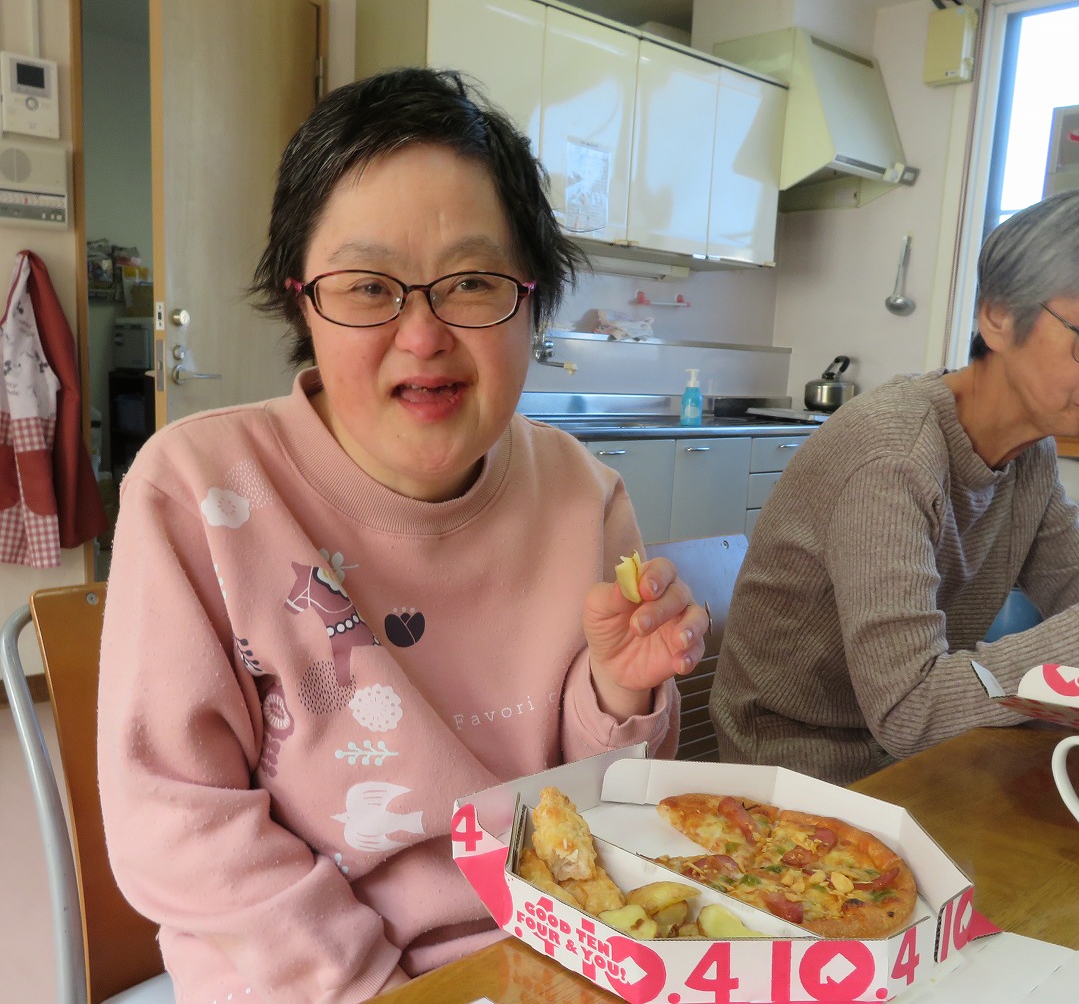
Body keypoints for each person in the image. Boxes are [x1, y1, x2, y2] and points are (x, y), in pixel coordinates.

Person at [97, 68, 708, 1004]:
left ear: (530, 298)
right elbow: (179, 828)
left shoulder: (584, 494)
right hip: (309, 978)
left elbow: (603, 814)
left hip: (554, 955)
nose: (421, 335)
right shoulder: (199, 493)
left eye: (470, 282)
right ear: (301, 298)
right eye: (369, 286)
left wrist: (620, 690)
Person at [710, 185, 1079, 786]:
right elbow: (912, 712)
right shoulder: (893, 455)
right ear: (998, 317)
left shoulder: (1030, 452)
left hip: (932, 753)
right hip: (802, 774)